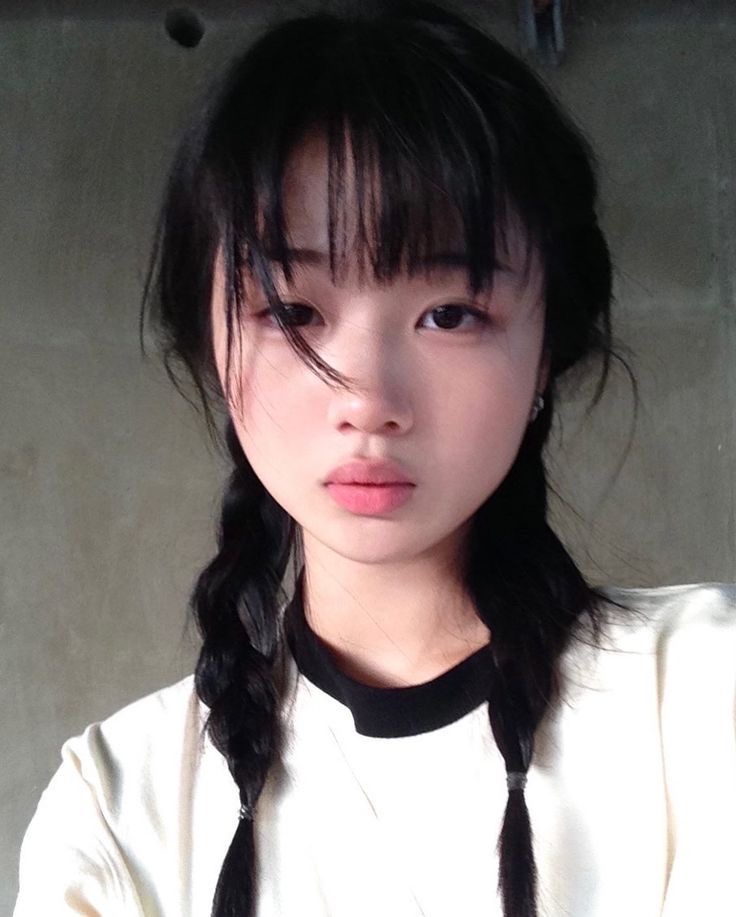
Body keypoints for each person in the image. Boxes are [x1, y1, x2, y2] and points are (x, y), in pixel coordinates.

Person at [14, 1, 736, 915]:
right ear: (213, 346)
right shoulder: (119, 810)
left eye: (450, 313)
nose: (367, 397)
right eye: (293, 312)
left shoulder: (701, 699)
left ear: (547, 346)